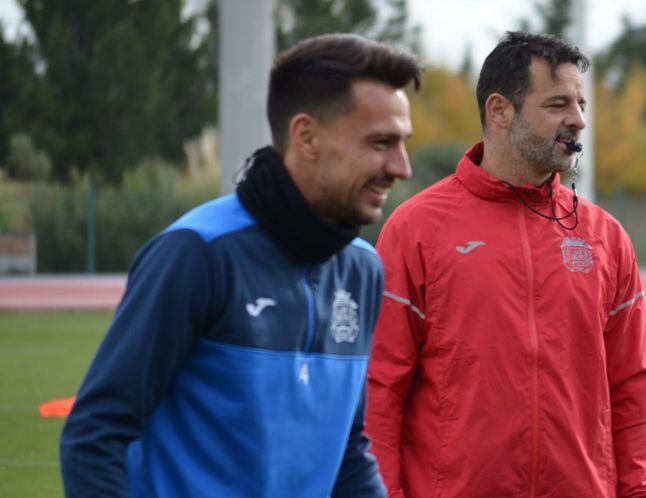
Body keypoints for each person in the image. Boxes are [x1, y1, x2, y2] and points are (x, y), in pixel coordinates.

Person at [60, 34, 421, 497]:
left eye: (403, 144)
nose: (401, 166)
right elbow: (95, 435)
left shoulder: (363, 269)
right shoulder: (198, 253)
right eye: (381, 143)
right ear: (306, 137)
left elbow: (347, 449)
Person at [366, 31, 646, 498]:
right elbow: (380, 388)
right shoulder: (416, 228)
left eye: (580, 104)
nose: (578, 120)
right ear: (500, 111)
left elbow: (631, 386)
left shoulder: (605, 237)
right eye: (558, 104)